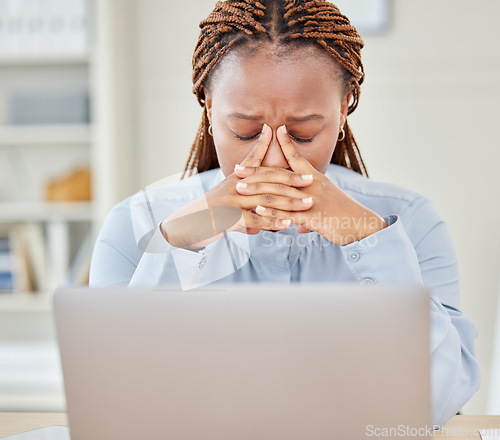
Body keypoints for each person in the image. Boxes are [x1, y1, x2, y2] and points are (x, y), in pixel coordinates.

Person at [89, 0, 480, 426]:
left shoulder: (410, 221)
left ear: (345, 105)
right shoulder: (136, 224)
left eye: (303, 134)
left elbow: (436, 403)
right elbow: (116, 405)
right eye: (245, 132)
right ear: (207, 106)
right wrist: (186, 239)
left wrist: (367, 239)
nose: (274, 160)